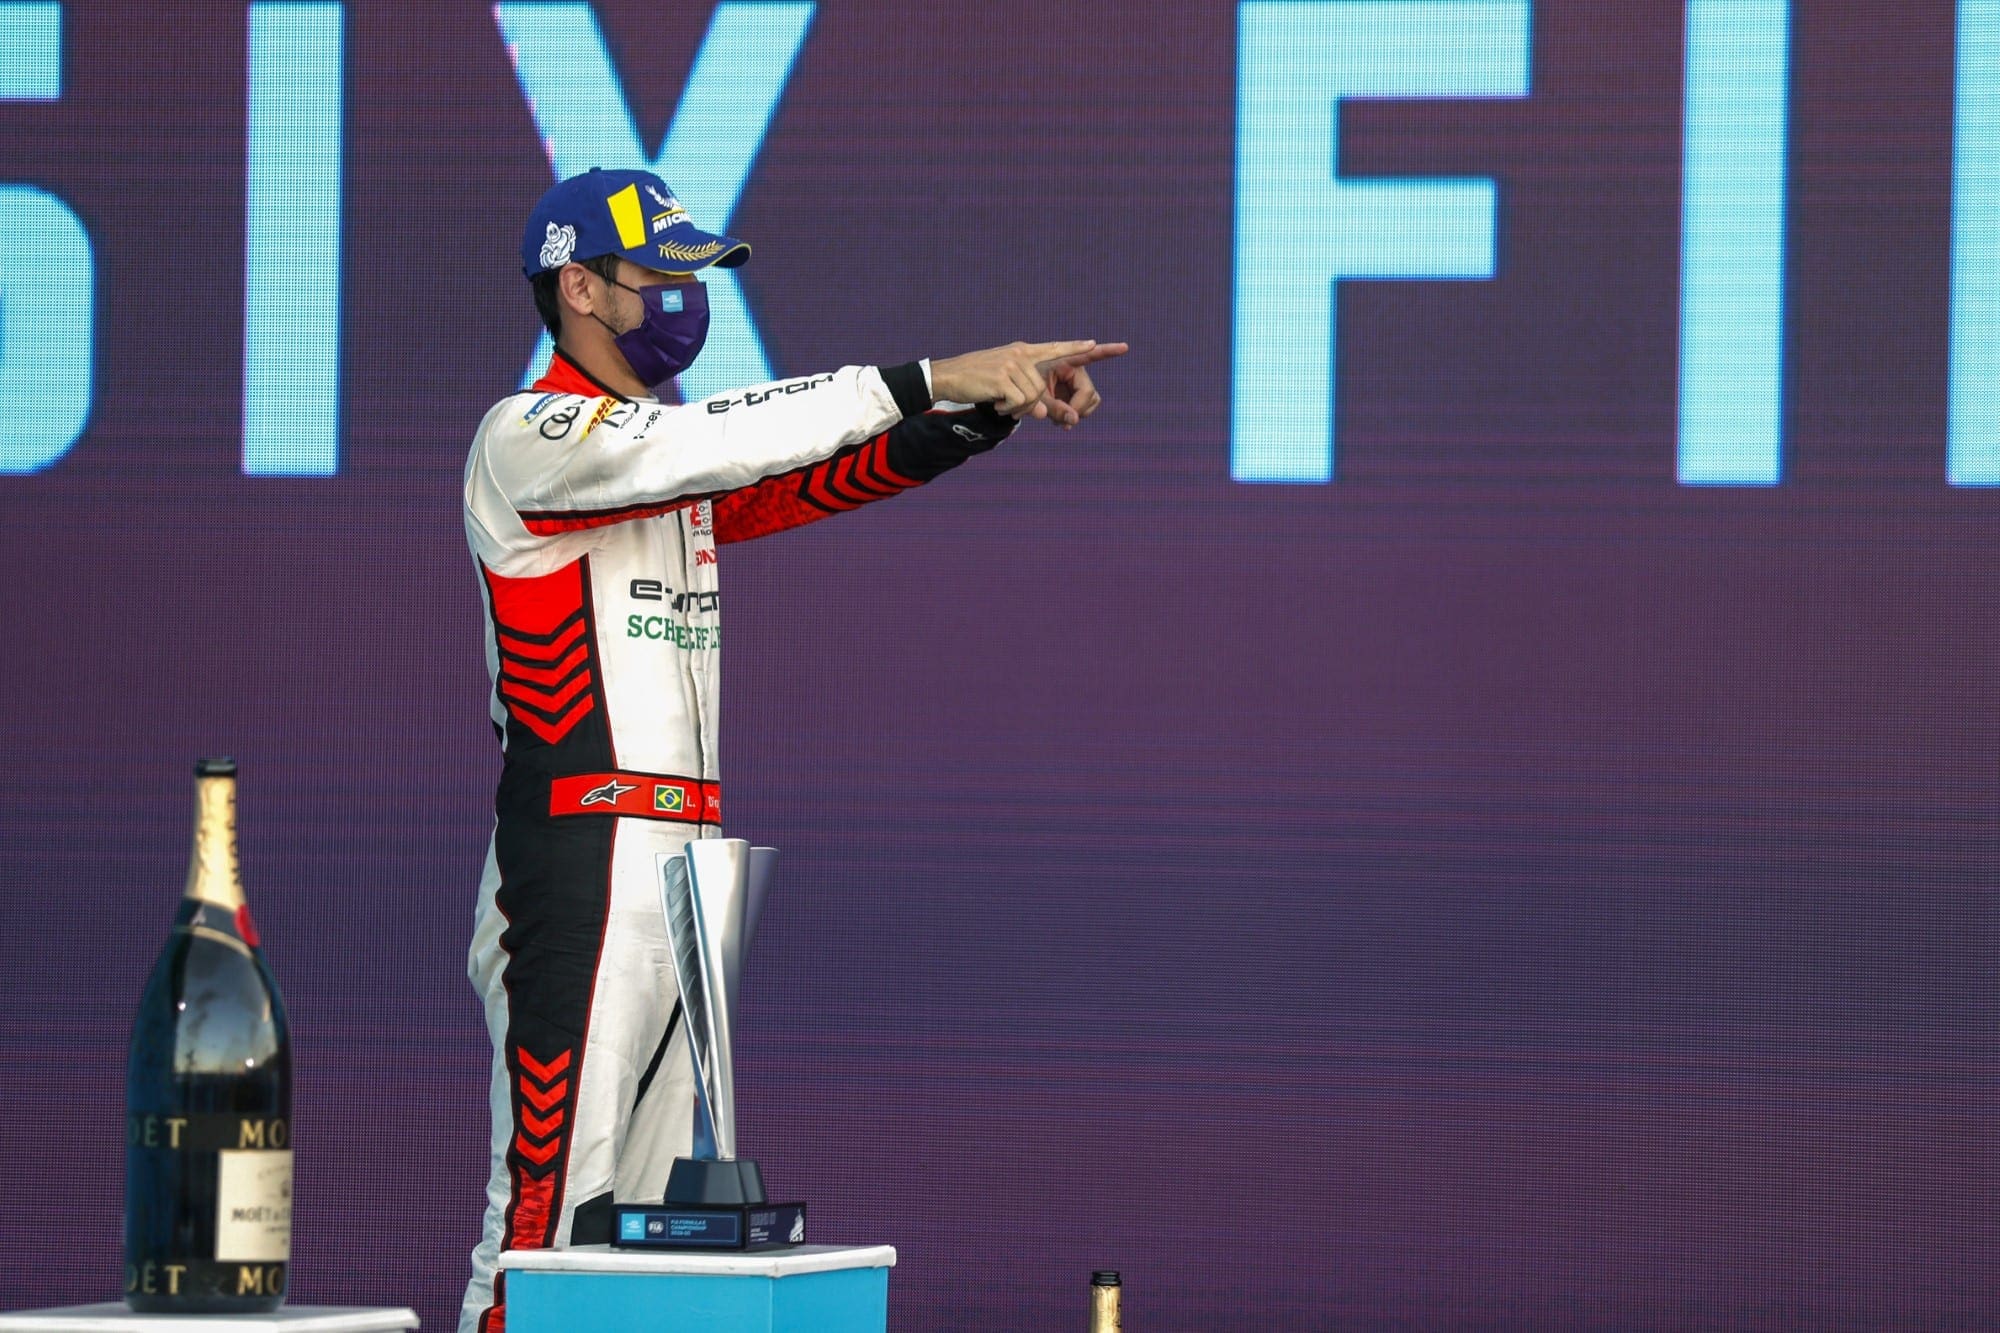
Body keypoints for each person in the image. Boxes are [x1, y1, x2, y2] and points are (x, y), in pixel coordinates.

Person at [458, 166, 1124, 1332]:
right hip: (580, 862)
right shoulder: (532, 437)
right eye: (662, 275)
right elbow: (733, 439)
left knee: (651, 1242)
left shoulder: (664, 460)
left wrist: (977, 415)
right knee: (544, 1232)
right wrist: (928, 374)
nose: (686, 297)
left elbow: (809, 482)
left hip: (686, 866)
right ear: (577, 286)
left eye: (696, 274)